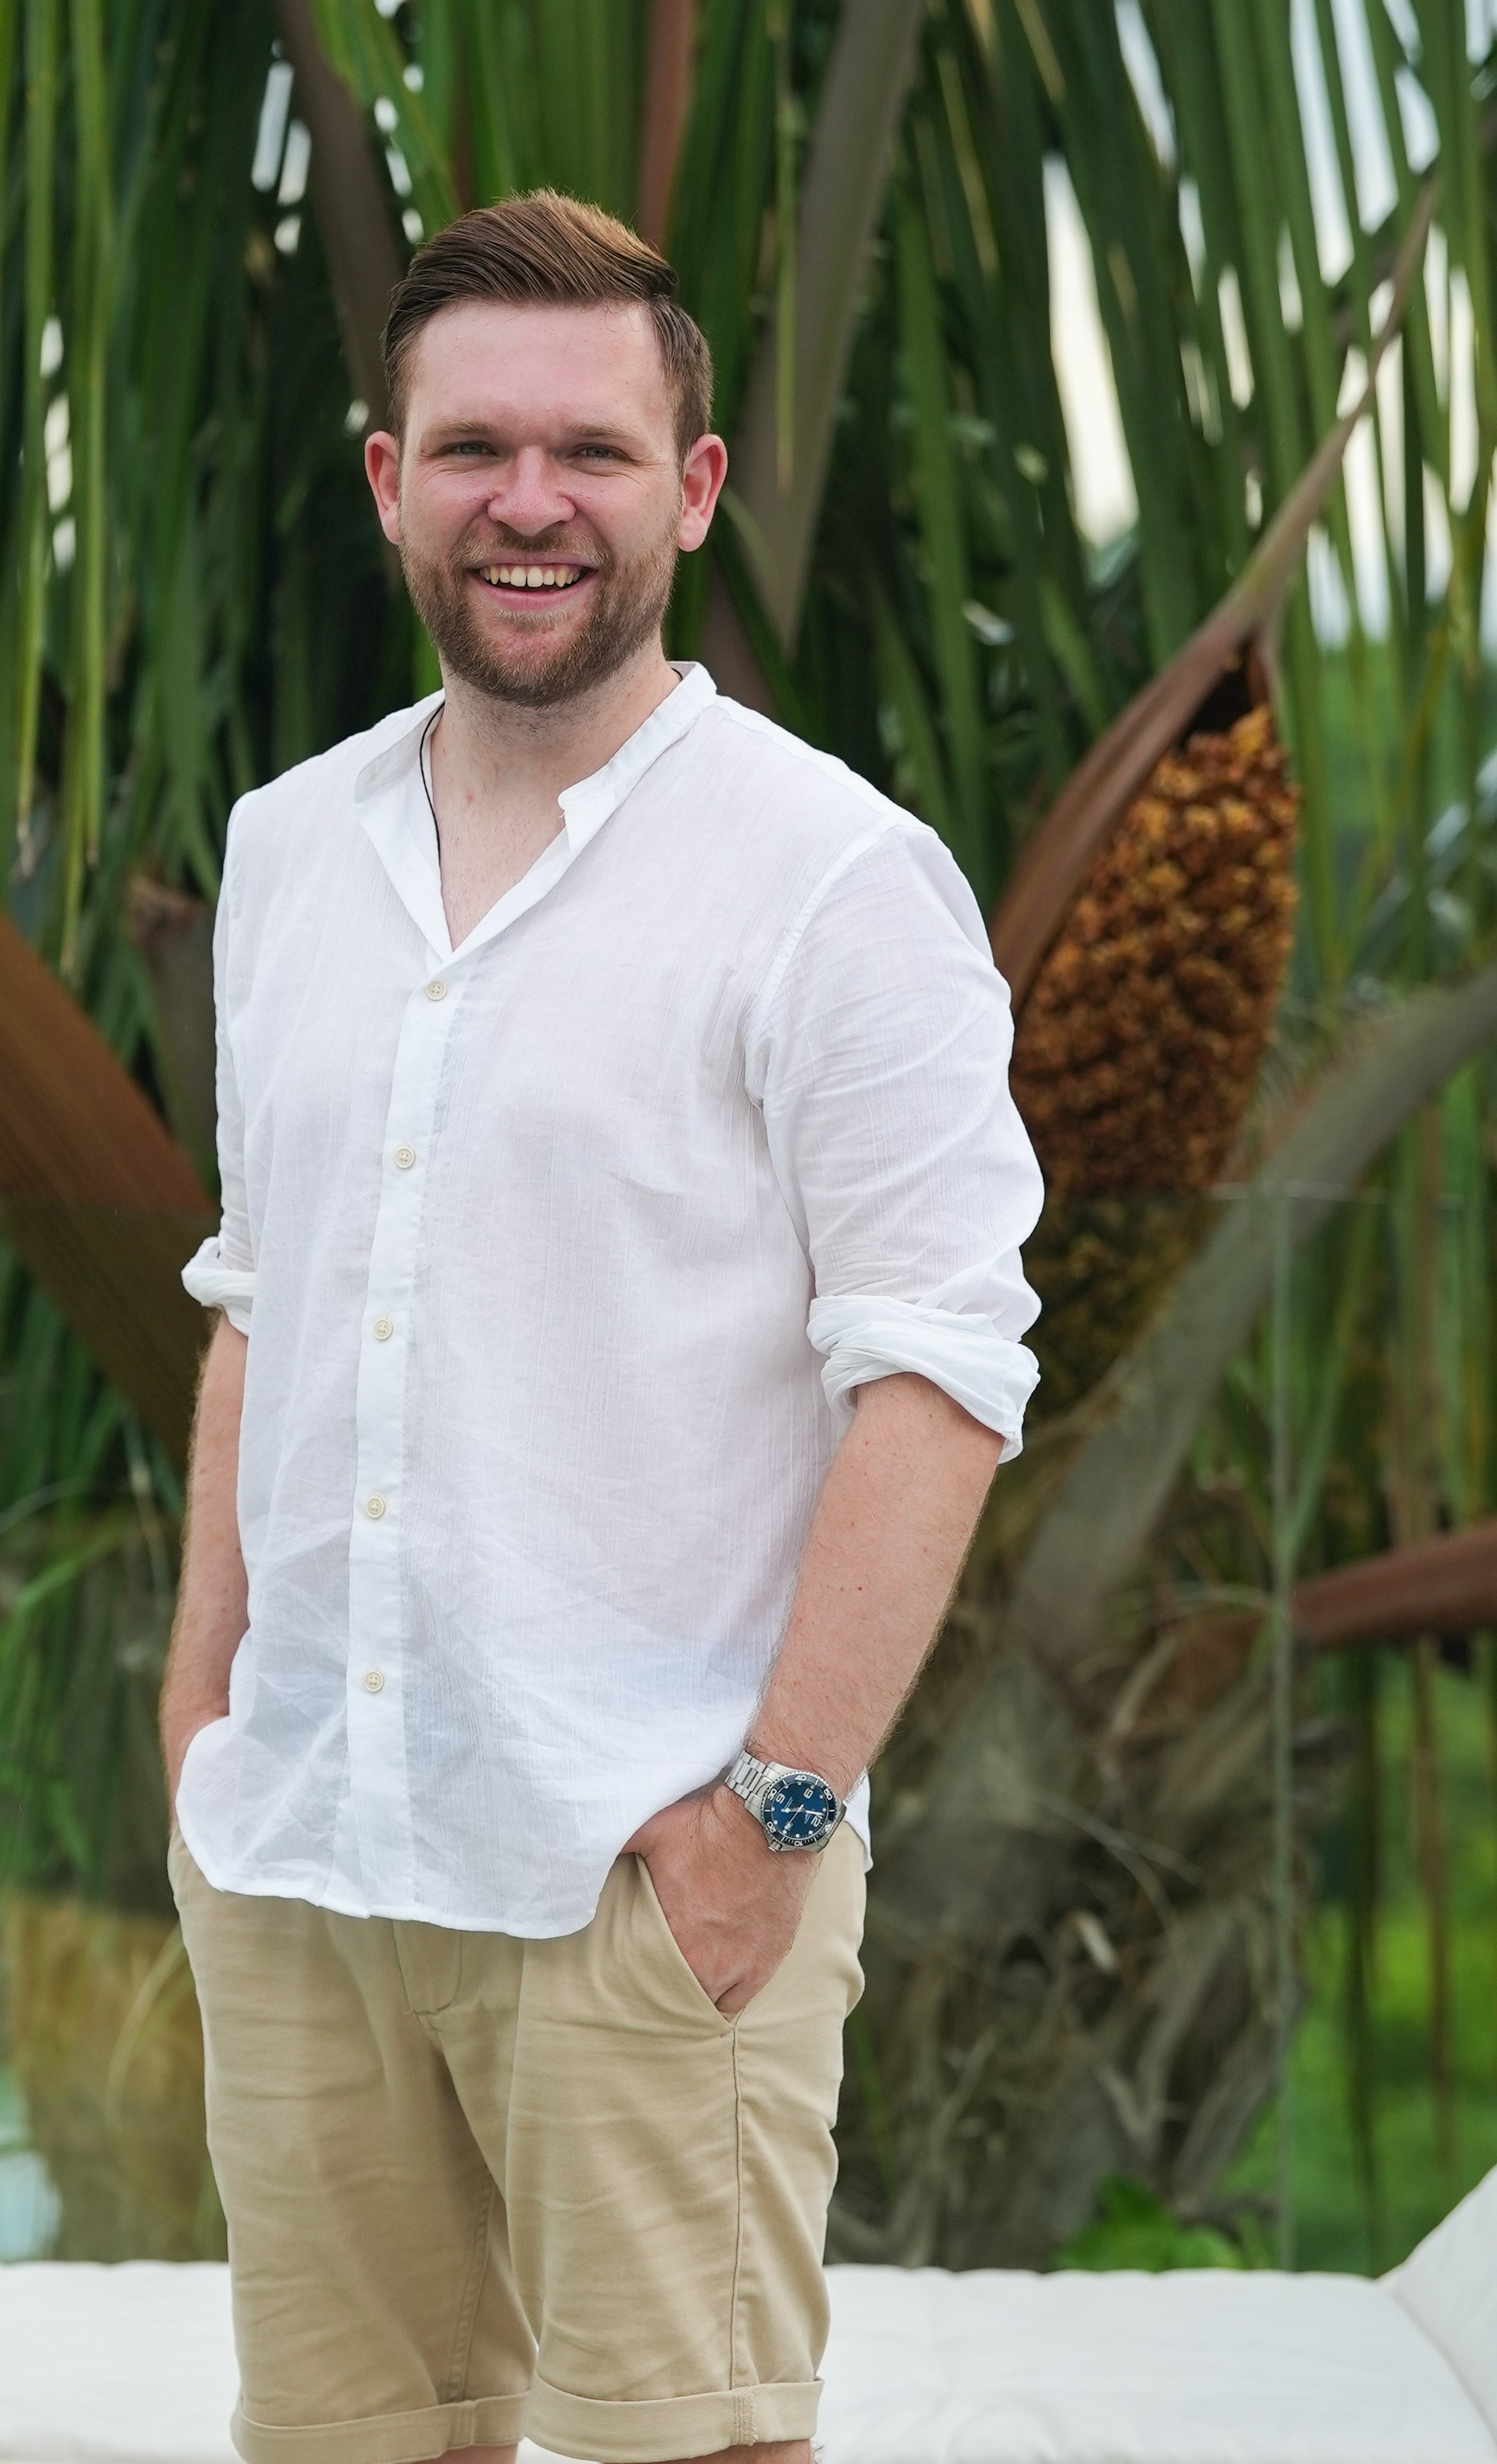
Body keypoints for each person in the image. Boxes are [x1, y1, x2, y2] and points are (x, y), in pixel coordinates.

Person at [164, 190, 1043, 2464]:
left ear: (697, 486)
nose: (527, 501)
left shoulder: (839, 881)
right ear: (388, 481)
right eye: (470, 449)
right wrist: (200, 1714)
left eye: (592, 450)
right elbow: (264, 1291)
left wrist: (769, 1814)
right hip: (308, 1857)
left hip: (639, 1875)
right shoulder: (285, 850)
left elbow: (940, 1376)